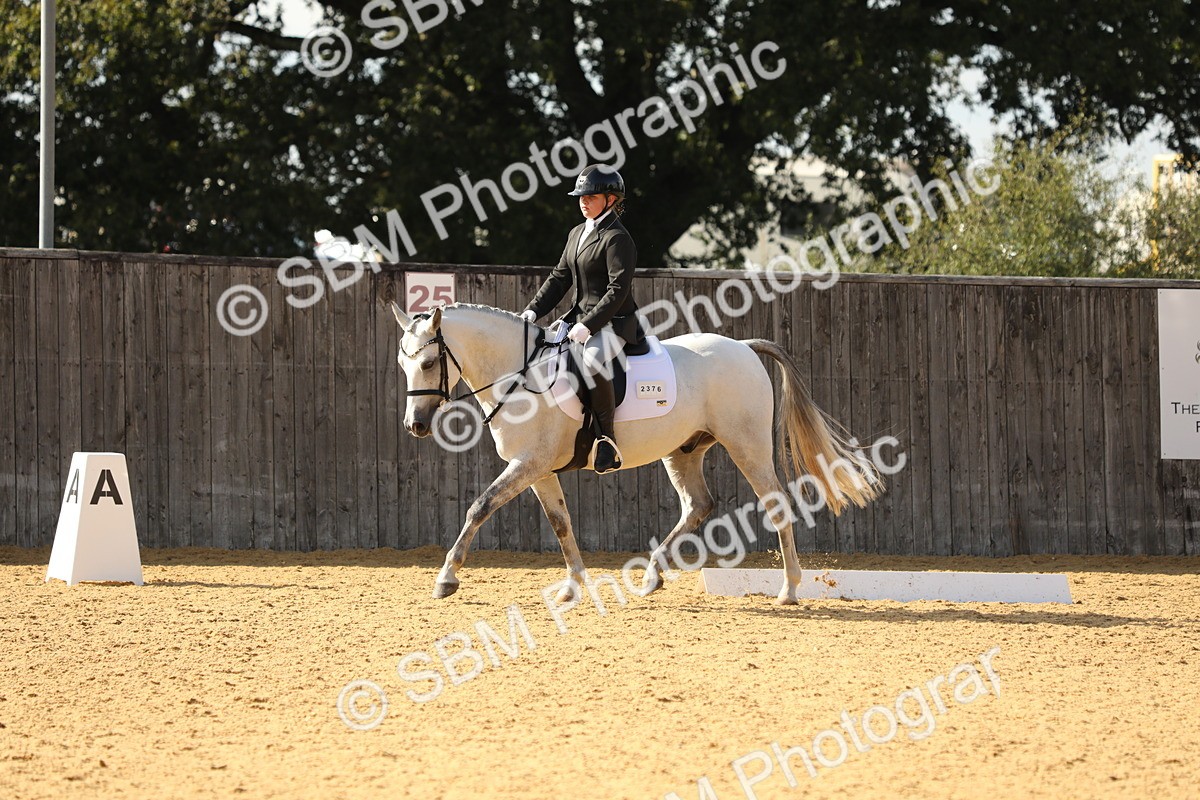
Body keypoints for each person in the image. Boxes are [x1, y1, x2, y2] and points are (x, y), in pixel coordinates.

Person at [521, 164, 645, 474]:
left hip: (615, 321)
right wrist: (533, 310)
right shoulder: (577, 232)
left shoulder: (618, 238)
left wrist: (588, 326)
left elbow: (617, 292)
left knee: (591, 361)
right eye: (581, 196)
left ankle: (606, 438)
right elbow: (559, 278)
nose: (583, 201)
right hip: (578, 317)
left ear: (611, 199)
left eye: (590, 196)